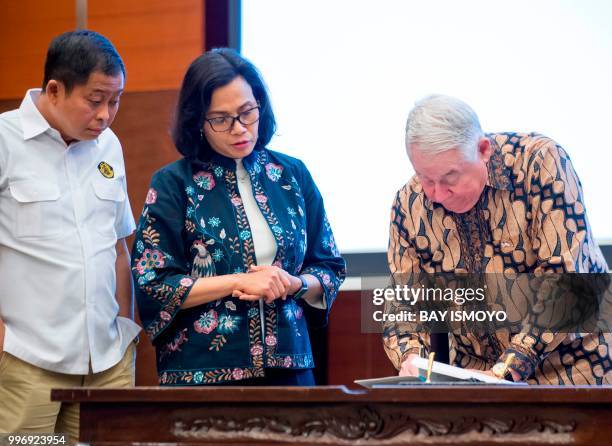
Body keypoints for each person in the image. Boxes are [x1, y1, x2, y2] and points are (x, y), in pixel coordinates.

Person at [132, 48, 346, 386]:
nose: (240, 128)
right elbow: (152, 282)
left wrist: (295, 284)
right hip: (200, 374)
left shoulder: (291, 175)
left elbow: (329, 267)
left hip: (290, 369)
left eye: (248, 112)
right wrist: (236, 282)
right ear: (198, 122)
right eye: (221, 119)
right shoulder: (173, 184)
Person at [383, 94, 611, 384]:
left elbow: (565, 280)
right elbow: (405, 300)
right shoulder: (408, 203)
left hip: (575, 370)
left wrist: (505, 372)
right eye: (425, 178)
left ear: (483, 149)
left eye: (450, 178)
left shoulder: (539, 163)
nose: (437, 194)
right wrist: (410, 356)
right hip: (477, 379)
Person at [0, 30, 140, 446]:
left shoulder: (108, 146)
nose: (106, 115)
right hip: (28, 360)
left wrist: (127, 330)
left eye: (115, 101)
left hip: (108, 359)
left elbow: (118, 248)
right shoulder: (5, 141)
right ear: (55, 90)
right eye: (95, 100)